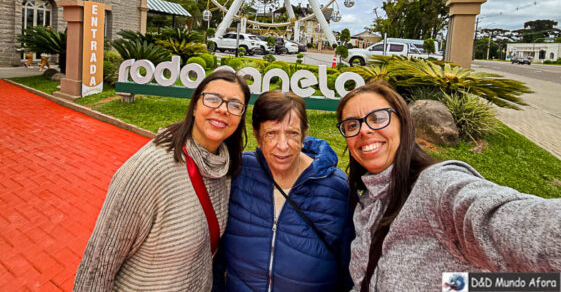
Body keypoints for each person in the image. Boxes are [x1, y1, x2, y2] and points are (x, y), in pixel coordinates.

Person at [335, 79, 561, 292]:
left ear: (403, 124)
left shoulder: (437, 186)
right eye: (352, 125)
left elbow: (508, 221)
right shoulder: (366, 202)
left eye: (377, 118)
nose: (364, 130)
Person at [74, 70, 251, 291]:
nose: (223, 109)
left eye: (235, 105)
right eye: (213, 99)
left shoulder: (224, 167)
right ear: (195, 105)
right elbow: (97, 266)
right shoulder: (150, 168)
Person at [215, 91, 354, 291]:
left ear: (303, 135)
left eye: (292, 133)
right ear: (257, 136)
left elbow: (351, 269)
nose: (282, 146)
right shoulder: (239, 172)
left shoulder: (336, 188)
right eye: (271, 133)